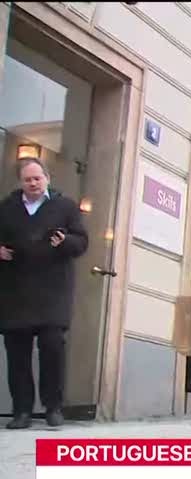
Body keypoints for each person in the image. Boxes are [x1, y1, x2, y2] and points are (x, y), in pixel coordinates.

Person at [0, 158, 88, 429]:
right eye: (28, 179)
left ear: (47, 178)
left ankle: (53, 408)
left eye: (37, 178)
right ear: (21, 182)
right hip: (16, 290)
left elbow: (82, 241)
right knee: (17, 355)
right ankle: (22, 411)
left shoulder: (65, 206)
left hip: (53, 291)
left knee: (52, 349)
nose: (33, 183)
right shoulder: (7, 208)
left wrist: (65, 242)